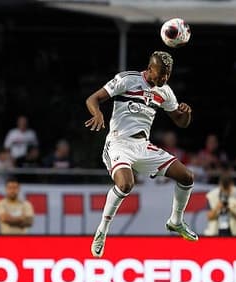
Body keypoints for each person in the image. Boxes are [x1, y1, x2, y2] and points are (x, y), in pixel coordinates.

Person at [84, 50, 197, 258]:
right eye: (160, 73)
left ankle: (176, 221)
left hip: (143, 147)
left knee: (187, 177)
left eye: (168, 75)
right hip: (118, 144)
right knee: (126, 184)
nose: (164, 78)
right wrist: (98, 113)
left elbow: (180, 122)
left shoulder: (165, 91)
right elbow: (93, 99)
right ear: (150, 68)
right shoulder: (127, 80)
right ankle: (102, 231)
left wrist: (186, 114)